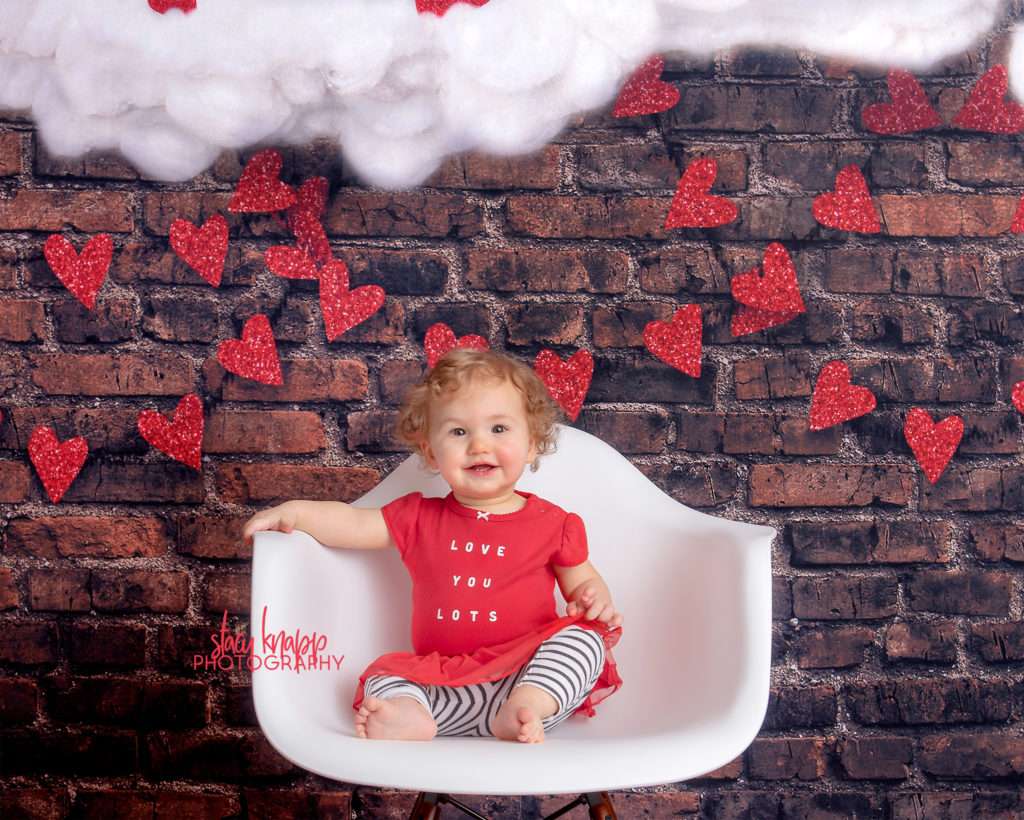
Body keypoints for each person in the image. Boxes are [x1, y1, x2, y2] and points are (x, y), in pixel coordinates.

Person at [242, 347, 623, 743]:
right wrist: (296, 512)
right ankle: (410, 716)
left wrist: (593, 598)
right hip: (443, 685)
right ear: (431, 451)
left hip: (525, 675)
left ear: (530, 444)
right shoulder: (418, 517)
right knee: (382, 677)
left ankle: (528, 708)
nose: (478, 445)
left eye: (498, 429)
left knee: (585, 640)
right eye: (459, 432)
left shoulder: (554, 524)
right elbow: (353, 522)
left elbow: (583, 585)